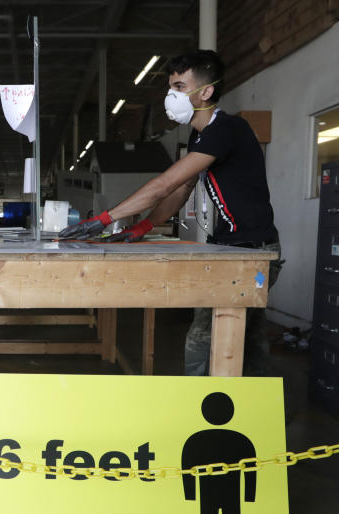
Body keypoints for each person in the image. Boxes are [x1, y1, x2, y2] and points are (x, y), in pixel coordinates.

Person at [59, 50, 282, 376]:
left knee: (202, 339)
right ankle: (259, 407)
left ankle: (199, 406)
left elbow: (166, 183)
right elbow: (182, 188)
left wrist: (104, 219)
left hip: (252, 252)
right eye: (170, 87)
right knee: (251, 336)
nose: (171, 96)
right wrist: (146, 224)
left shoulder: (227, 128)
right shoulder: (200, 135)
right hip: (237, 247)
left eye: (179, 86)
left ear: (205, 92)